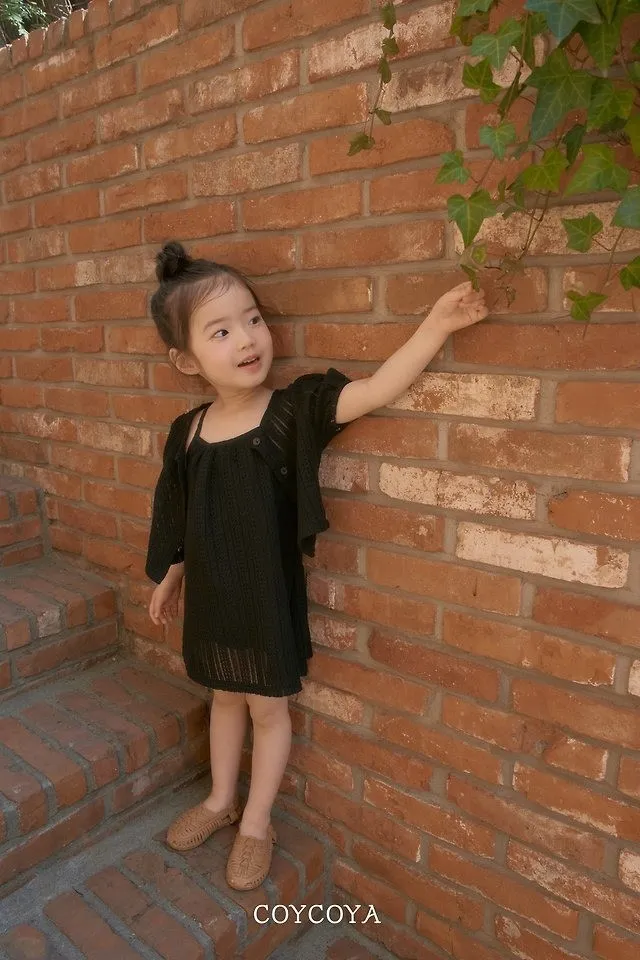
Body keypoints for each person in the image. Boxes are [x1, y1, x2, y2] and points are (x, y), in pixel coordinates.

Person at [145, 240, 488, 891]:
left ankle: (257, 821)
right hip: (213, 602)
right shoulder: (186, 433)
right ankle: (220, 800)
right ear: (186, 360)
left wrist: (436, 326)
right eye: (221, 331)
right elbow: (180, 516)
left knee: (268, 709)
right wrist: (171, 575)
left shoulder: (289, 413)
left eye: (252, 319)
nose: (248, 338)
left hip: (266, 600)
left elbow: (375, 390)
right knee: (223, 697)